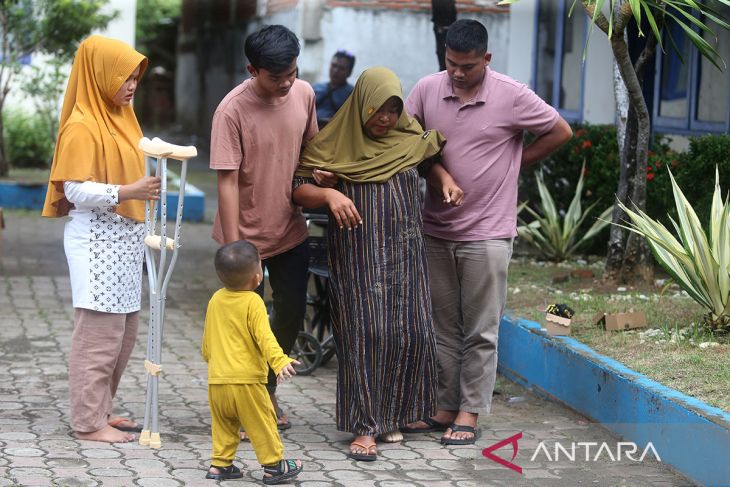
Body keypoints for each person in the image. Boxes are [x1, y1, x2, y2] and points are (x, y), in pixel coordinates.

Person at [402, 19, 573, 445]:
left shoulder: (511, 95)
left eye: (468, 66)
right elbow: (406, 142)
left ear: (487, 59)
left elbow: (560, 130)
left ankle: (469, 411)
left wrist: (517, 163)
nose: (457, 73)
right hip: (436, 229)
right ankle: (443, 406)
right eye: (451, 64)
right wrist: (437, 171)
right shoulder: (426, 89)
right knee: (443, 326)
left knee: (480, 328)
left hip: (487, 233)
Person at [292, 66, 445, 461]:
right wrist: (328, 195)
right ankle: (365, 427)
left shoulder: (410, 138)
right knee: (365, 335)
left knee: (408, 332)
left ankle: (395, 414)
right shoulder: (333, 145)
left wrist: (444, 179)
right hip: (359, 257)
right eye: (378, 109)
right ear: (362, 104)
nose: (385, 119)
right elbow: (298, 187)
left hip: (406, 253)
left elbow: (427, 161)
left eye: (393, 111)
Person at [41, 35, 160, 443]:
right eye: (125, 77)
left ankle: (101, 409)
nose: (131, 86)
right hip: (97, 244)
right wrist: (128, 192)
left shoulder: (122, 118)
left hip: (125, 244)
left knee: (122, 337)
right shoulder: (82, 125)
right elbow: (74, 190)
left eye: (135, 79)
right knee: (96, 337)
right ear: (100, 76)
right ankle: (88, 422)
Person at [210, 24, 318, 434]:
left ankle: (266, 390)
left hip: (290, 229)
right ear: (251, 69)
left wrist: (318, 177)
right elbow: (225, 179)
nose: (287, 82)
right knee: (243, 326)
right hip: (245, 237)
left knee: (289, 315)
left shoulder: (303, 94)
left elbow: (310, 151)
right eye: (276, 77)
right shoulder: (231, 110)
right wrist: (238, 246)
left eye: (292, 71)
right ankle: (244, 403)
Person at [202, 240, 302, 483]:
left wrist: (212, 359)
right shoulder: (253, 302)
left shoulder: (215, 299)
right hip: (247, 382)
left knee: (224, 425)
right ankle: (274, 466)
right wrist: (279, 361)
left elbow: (208, 339)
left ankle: (220, 465)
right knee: (262, 423)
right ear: (258, 277)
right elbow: (265, 337)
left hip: (218, 381)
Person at [312, 50, 356, 128]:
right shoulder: (316, 88)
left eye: (341, 68)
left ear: (349, 72)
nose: (336, 70)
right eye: (334, 65)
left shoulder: (353, 94)